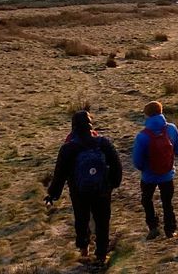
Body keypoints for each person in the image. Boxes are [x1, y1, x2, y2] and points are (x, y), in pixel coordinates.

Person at [45, 111, 123, 266]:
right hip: (102, 190)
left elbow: (59, 174)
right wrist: (113, 184)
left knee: (81, 218)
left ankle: (84, 248)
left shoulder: (68, 148)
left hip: (79, 191)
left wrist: (53, 194)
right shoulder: (103, 143)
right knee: (102, 221)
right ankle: (101, 254)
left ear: (73, 126)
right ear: (90, 125)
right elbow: (117, 165)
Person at [131, 101, 178, 240]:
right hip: (167, 174)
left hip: (148, 176)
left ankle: (153, 227)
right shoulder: (172, 129)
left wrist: (144, 169)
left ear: (146, 115)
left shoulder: (142, 136)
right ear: (161, 111)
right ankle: (170, 230)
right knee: (167, 202)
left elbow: (137, 160)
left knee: (147, 200)